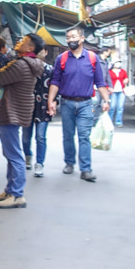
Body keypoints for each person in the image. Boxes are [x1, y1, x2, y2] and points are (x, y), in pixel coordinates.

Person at [0, 33, 46, 208]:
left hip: (10, 112)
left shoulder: (21, 65)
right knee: (12, 153)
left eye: (24, 41)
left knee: (14, 155)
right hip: (15, 111)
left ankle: (17, 194)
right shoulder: (27, 64)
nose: (19, 42)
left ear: (30, 48)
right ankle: (10, 190)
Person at [48, 26, 110, 182]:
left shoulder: (92, 58)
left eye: (74, 37)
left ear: (82, 39)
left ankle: (86, 169)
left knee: (84, 136)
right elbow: (55, 81)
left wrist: (106, 100)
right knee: (68, 135)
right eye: (68, 37)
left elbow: (100, 82)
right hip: (67, 103)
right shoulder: (61, 59)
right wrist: (51, 101)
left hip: (86, 104)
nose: (71, 40)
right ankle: (69, 163)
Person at [22, 48, 52, 178]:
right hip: (28, 106)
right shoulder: (26, 68)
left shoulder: (50, 70)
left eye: (42, 51)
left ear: (46, 52)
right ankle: (28, 155)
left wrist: (53, 102)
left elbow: (55, 86)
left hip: (43, 107)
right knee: (25, 137)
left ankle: (39, 163)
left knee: (40, 137)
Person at [107, 60, 130, 127]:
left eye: (119, 62)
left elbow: (126, 79)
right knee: (112, 107)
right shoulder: (110, 72)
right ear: (113, 64)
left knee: (120, 107)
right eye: (117, 62)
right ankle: (109, 121)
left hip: (121, 91)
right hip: (113, 91)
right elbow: (107, 80)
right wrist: (108, 88)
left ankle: (118, 122)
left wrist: (126, 80)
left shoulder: (123, 71)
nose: (118, 64)